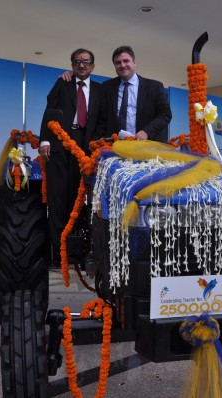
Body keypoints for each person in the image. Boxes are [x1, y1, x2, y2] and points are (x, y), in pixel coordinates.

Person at [39, 48, 101, 265]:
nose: (81, 65)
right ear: (72, 66)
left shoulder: (101, 90)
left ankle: (77, 252)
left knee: (79, 198)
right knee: (58, 199)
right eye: (77, 62)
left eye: (85, 62)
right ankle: (58, 253)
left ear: (92, 66)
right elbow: (49, 110)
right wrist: (45, 140)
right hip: (59, 143)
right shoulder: (63, 83)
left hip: (85, 149)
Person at [96, 45, 172, 142]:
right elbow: (102, 119)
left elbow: (165, 114)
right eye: (118, 63)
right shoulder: (106, 87)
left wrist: (147, 132)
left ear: (134, 62)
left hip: (145, 146)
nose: (122, 65)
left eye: (126, 61)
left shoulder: (155, 87)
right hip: (114, 147)